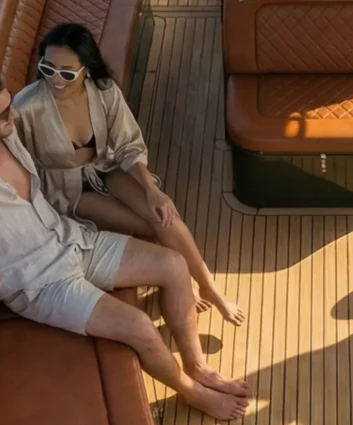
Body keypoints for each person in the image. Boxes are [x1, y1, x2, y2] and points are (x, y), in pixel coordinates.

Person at [0, 67, 250, 422]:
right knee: (140, 326)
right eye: (5, 113)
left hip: (70, 238)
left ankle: (198, 366)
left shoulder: (2, 135)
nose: (15, 115)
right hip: (39, 283)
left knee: (174, 265)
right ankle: (194, 394)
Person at [13, 22, 244, 325]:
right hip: (67, 189)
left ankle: (208, 285)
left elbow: (128, 146)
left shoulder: (105, 92)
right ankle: (175, 280)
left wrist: (153, 190)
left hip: (106, 168)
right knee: (147, 225)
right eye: (48, 67)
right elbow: (16, 162)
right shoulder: (27, 106)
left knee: (162, 213)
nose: (56, 79)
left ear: (86, 69)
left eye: (67, 72)